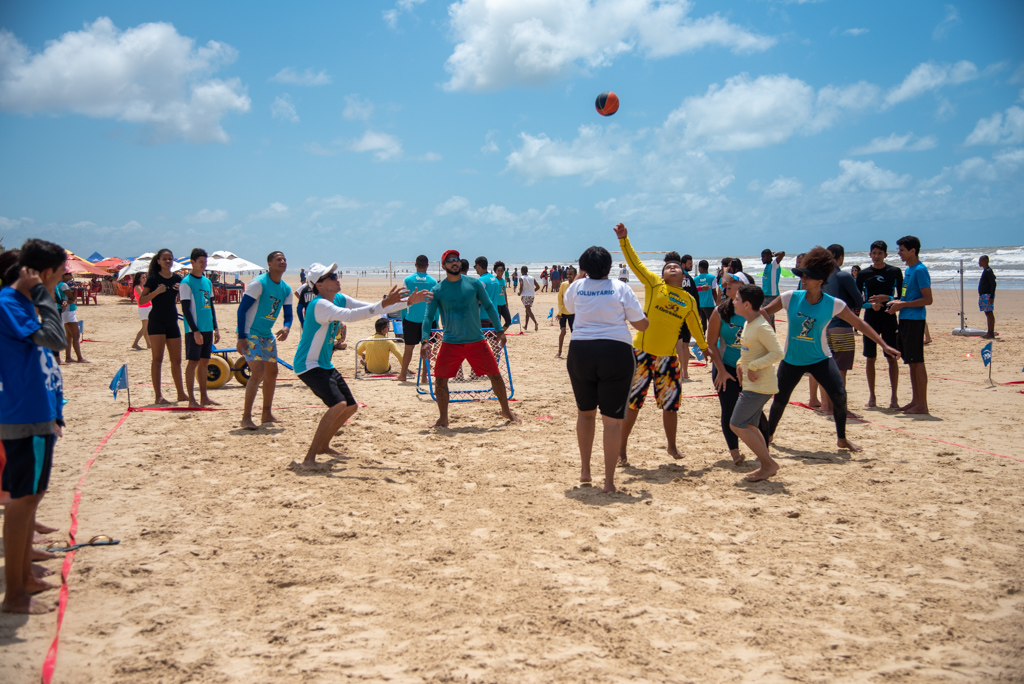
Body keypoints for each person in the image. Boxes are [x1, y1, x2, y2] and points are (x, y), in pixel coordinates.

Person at [762, 247, 900, 453]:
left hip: (820, 358)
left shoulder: (833, 304)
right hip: (792, 359)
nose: (804, 279)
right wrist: (766, 336)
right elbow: (764, 312)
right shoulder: (790, 297)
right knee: (780, 400)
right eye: (803, 276)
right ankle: (769, 435)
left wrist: (884, 345)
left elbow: (860, 325)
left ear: (820, 281)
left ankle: (842, 439)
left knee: (839, 395)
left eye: (808, 277)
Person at [293, 263, 427, 466]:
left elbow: (369, 307)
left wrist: (408, 302)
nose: (336, 277)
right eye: (331, 276)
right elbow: (352, 316)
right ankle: (309, 457)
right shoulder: (319, 305)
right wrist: (384, 304)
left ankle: (323, 446)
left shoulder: (338, 298)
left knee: (351, 407)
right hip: (308, 365)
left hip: (323, 364)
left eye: (335, 274)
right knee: (338, 404)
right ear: (318, 285)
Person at [1, 239, 67, 614]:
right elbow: (55, 339)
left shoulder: (21, 303)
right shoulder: (11, 304)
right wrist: (45, 296)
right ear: (43, 275)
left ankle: (24, 578)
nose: (62, 281)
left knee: (31, 498)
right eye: (59, 275)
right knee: (23, 502)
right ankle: (14, 595)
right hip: (23, 415)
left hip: (37, 412)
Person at [616, 224, 708, 464]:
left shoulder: (688, 299)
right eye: (668, 266)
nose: (672, 267)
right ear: (664, 273)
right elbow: (635, 263)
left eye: (675, 266)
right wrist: (624, 240)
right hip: (641, 355)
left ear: (683, 274)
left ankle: (671, 446)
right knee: (633, 404)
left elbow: (696, 325)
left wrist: (705, 347)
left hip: (668, 358)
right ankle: (621, 448)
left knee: (670, 405)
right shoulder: (655, 284)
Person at [565, 247, 648, 493]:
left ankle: (585, 470)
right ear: (610, 266)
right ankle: (609, 482)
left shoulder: (576, 287)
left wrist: (581, 276)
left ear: (584, 267)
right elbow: (641, 325)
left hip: (581, 351)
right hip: (615, 352)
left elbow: (568, 308)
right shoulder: (621, 288)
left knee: (585, 413)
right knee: (611, 422)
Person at [421, 249, 519, 428]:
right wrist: (425, 341)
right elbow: (428, 317)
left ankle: (506, 410)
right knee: (441, 380)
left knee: (495, 376)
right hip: (450, 342)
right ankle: (443, 418)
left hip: (476, 340)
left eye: (456, 259)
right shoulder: (438, 290)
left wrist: (499, 330)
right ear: (444, 266)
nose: (454, 262)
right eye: (450, 260)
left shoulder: (474, 284)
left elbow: (490, 306)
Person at [706, 272, 766, 466]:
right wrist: (721, 371)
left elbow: (768, 346)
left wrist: (755, 368)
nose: (728, 283)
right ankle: (735, 453)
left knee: (755, 411)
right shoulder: (720, 311)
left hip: (751, 369)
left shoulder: (760, 313)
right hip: (727, 367)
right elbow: (711, 344)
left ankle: (764, 451)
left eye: (734, 281)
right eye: (727, 281)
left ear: (746, 286)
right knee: (729, 409)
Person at [732, 284, 784, 481]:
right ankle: (767, 463)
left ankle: (768, 464)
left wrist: (753, 366)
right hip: (751, 384)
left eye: (736, 299)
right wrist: (740, 363)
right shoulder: (748, 324)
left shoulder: (761, 326)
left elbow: (778, 352)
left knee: (737, 424)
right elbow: (748, 351)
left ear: (746, 304)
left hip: (760, 386)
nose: (733, 302)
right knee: (750, 426)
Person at [236, 251, 293, 430]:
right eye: (278, 259)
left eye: (284, 259)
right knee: (258, 372)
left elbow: (289, 315)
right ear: (269, 263)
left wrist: (286, 327)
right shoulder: (259, 283)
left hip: (266, 333)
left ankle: (266, 413)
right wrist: (241, 337)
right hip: (249, 332)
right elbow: (242, 310)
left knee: (272, 373)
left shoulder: (286, 289)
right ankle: (246, 417)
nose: (282, 261)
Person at [887, 236, 931, 415]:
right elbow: (908, 297)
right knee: (911, 362)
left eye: (902, 250)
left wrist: (903, 305)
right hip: (906, 318)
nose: (899, 253)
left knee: (917, 361)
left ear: (913, 251)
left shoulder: (920, 270)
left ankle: (923, 404)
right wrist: (894, 301)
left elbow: (928, 299)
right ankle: (916, 400)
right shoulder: (910, 269)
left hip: (915, 320)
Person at [857, 240, 903, 409]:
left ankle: (894, 398)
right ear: (870, 254)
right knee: (870, 358)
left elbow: (901, 297)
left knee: (891, 357)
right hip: (870, 319)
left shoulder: (894, 272)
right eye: (874, 253)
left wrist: (887, 299)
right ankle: (872, 396)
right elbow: (857, 300)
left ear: (885, 255)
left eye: (880, 253)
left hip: (889, 317)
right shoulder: (863, 274)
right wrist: (871, 305)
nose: (877, 256)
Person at [138, 249, 187, 404]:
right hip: (156, 321)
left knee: (177, 360)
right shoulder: (153, 279)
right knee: (157, 359)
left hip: (172, 320)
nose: (167, 261)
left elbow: (186, 297)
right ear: (158, 261)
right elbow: (141, 300)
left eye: (170, 259)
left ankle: (181, 393)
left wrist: (180, 291)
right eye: (164, 259)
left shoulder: (178, 278)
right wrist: (157, 292)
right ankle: (158, 396)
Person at [820, 244, 863, 417]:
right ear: (840, 257)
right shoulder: (842, 275)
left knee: (826, 368)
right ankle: (839, 408)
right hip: (842, 326)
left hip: (824, 326)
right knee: (841, 370)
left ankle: (826, 405)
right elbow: (858, 300)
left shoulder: (821, 277)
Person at [179, 248, 221, 408]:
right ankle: (191, 399)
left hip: (207, 328)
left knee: (204, 362)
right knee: (193, 362)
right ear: (193, 263)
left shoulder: (207, 281)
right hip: (194, 330)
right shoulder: (186, 283)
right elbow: (185, 310)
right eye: (201, 262)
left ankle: (204, 397)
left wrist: (215, 328)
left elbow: (210, 306)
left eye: (205, 262)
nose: (204, 265)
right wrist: (195, 331)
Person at [397, 255, 438, 381]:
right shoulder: (433, 281)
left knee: (408, 348)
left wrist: (404, 317)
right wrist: (435, 321)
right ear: (427, 265)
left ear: (415, 265)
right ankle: (424, 377)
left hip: (411, 320)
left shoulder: (408, 280)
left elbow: (403, 301)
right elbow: (435, 303)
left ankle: (403, 375)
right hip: (428, 320)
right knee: (426, 349)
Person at [674, 253, 701, 381]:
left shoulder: (674, 277)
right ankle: (685, 372)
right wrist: (697, 313)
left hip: (677, 314)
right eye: (690, 264)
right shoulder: (689, 278)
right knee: (685, 344)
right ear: (683, 264)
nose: (691, 266)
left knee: (679, 344)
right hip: (688, 314)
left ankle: (680, 371)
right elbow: (695, 297)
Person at [760, 248, 786, 329]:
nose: (762, 259)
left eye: (764, 257)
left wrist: (774, 255)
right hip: (765, 295)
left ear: (769, 256)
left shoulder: (774, 264)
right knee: (766, 318)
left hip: (771, 296)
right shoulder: (767, 266)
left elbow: (782, 253)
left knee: (767, 318)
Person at [474, 256, 503, 329]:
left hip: (484, 316)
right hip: (495, 315)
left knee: (484, 340)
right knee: (493, 340)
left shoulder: (481, 281)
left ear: (478, 266)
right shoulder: (495, 279)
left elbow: (478, 300)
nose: (475, 269)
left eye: (475, 266)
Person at [556, 265, 577, 358]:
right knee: (563, 331)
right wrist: (559, 312)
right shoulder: (563, 284)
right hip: (563, 313)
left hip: (573, 313)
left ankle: (574, 353)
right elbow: (560, 298)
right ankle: (559, 351)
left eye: (571, 274)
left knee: (574, 334)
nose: (569, 276)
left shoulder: (577, 285)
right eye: (568, 274)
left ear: (575, 275)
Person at [694, 259, 717, 332]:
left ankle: (702, 340)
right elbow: (714, 292)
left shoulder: (695, 279)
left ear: (700, 268)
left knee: (702, 325)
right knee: (713, 324)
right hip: (709, 304)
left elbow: (695, 292)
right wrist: (717, 304)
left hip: (700, 304)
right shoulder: (712, 277)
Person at [978, 255, 996, 339]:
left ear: (984, 261)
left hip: (987, 295)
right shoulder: (986, 271)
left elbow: (993, 283)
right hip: (984, 295)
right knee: (987, 313)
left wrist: (991, 296)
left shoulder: (988, 270)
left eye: (980, 261)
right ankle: (989, 332)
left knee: (989, 313)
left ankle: (991, 333)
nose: (979, 262)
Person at [132, 273, 151, 350]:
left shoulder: (141, 287)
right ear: (138, 279)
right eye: (143, 277)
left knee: (146, 328)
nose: (144, 279)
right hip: (144, 308)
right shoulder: (137, 287)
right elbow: (143, 295)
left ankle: (149, 344)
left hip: (146, 307)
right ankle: (135, 343)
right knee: (144, 327)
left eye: (145, 277)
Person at [518, 266, 539, 331]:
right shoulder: (532, 277)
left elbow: (521, 286)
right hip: (532, 295)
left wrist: (519, 293)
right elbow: (538, 287)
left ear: (521, 271)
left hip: (525, 295)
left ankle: (535, 322)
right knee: (527, 310)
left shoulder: (521, 278)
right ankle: (526, 326)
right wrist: (532, 291)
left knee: (528, 310)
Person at [492, 261, 512, 330]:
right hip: (496, 305)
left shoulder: (503, 281)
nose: (500, 272)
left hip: (503, 304)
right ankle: (498, 336)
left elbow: (504, 293)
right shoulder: (494, 281)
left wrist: (507, 303)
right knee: (498, 323)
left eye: (501, 271)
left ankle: (501, 334)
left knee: (508, 321)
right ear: (495, 271)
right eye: (498, 271)